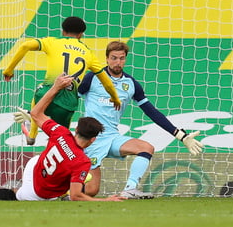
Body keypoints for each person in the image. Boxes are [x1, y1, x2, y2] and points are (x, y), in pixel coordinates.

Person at [0, 74, 125, 201]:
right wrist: (106, 200)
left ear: (76, 129)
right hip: (38, 191)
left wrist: (56, 87)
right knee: (17, 196)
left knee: (23, 190)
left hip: (34, 165)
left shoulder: (61, 132)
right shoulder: (82, 161)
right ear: (93, 140)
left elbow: (35, 113)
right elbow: (77, 195)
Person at [78, 41, 204, 199]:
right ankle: (60, 192)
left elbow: (152, 112)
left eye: (121, 58)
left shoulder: (131, 84)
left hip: (112, 137)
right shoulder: (92, 77)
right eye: (114, 58)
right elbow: (71, 100)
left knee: (146, 148)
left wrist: (180, 136)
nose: (118, 62)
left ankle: (130, 189)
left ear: (126, 59)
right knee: (90, 191)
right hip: (91, 139)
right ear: (107, 59)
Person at [3, 16, 121, 145]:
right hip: (67, 103)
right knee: (61, 140)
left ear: (63, 31)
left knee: (39, 92)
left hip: (46, 95)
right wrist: (115, 98)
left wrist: (9, 70)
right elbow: (106, 82)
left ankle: (32, 134)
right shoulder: (88, 53)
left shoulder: (52, 42)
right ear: (81, 35)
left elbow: (25, 46)